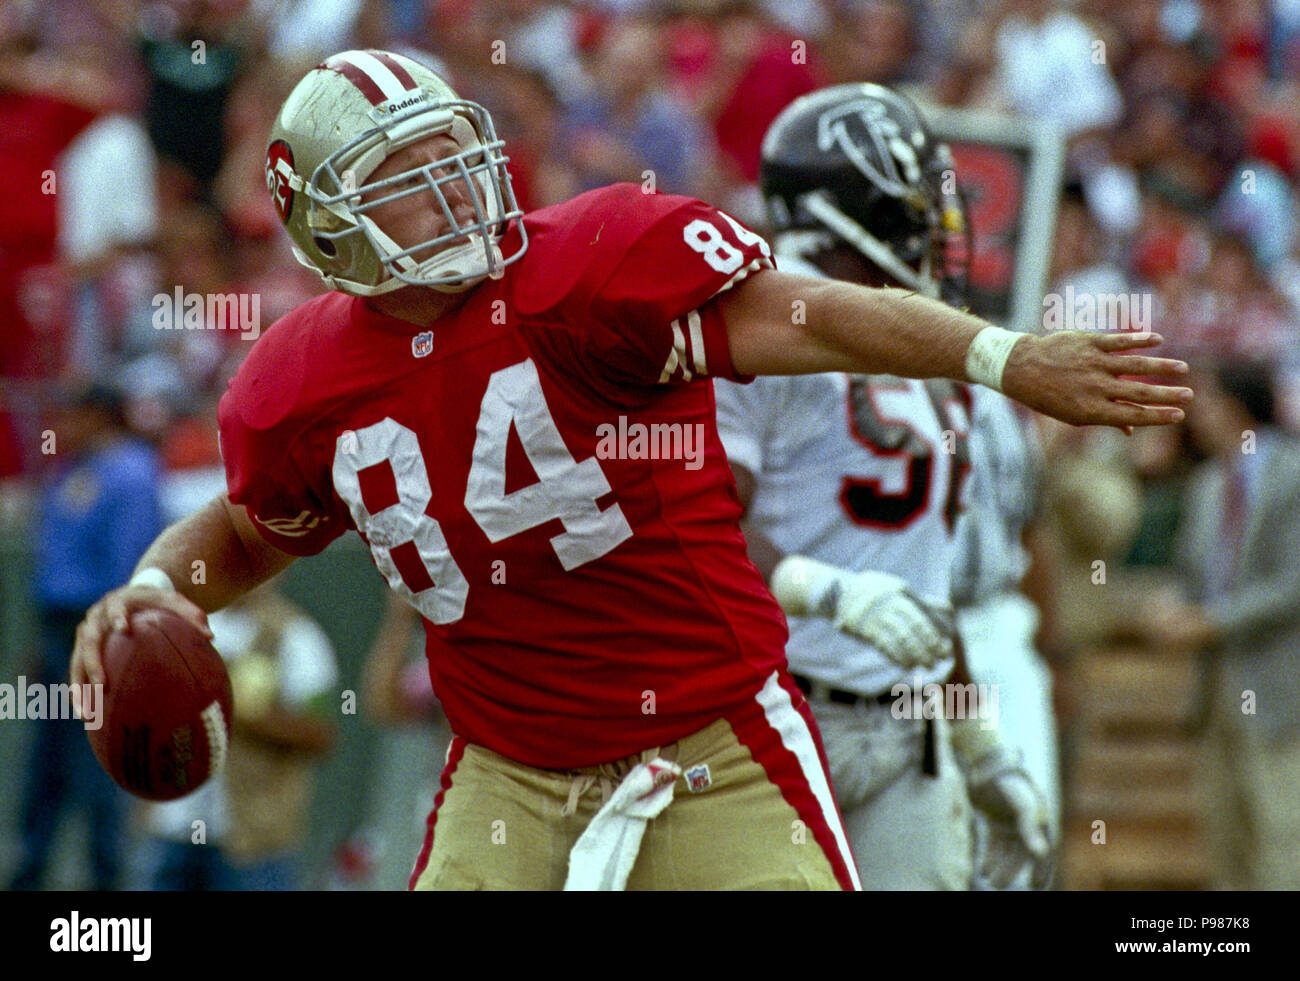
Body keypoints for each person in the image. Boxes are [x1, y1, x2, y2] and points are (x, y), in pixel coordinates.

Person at [71, 49, 1190, 891]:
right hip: (508, 764)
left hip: (710, 742)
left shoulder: (591, 262)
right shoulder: (296, 383)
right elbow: (249, 531)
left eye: (449, 146)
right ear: (323, 222)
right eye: (403, 170)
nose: (453, 182)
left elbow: (808, 317)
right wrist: (156, 594)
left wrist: (1000, 355)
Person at [714, 83, 1050, 889]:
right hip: (774, 717)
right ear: (852, 212)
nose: (941, 230)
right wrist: (824, 590)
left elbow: (924, 592)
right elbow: (701, 518)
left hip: (912, 729)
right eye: (915, 208)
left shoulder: (932, 343)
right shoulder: (758, 324)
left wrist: (983, 745)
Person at [1141, 360, 1300, 889]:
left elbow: (1292, 585)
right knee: (1226, 845)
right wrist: (1172, 605)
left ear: (1235, 408)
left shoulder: (1293, 474)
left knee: (1281, 843)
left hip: (1280, 694)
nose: (1197, 415)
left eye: (1207, 401)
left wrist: (1210, 621)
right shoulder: (1210, 483)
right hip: (1213, 696)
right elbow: (1194, 575)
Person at [9, 381, 163, 890]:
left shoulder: (131, 473)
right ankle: (29, 876)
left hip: (98, 638)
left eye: (72, 416)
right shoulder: (71, 470)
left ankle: (107, 894)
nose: (61, 428)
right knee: (43, 774)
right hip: (57, 634)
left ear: (100, 415)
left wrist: (112, 646)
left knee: (97, 773)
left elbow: (130, 569)